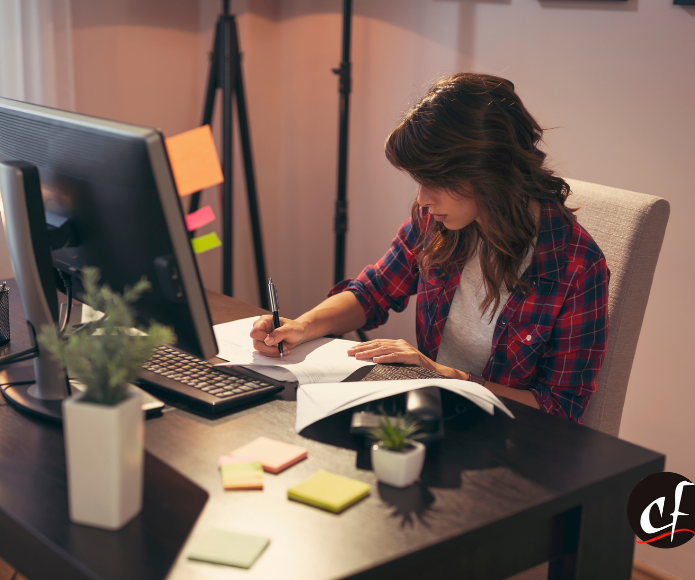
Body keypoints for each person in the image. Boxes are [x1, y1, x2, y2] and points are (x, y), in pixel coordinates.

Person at [251, 72, 609, 424]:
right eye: (420, 181)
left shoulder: (576, 266)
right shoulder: (440, 222)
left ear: (489, 171)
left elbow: (560, 408)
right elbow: (373, 292)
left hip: (509, 440)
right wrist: (301, 326)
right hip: (432, 415)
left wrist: (446, 376)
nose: (422, 199)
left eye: (436, 181)